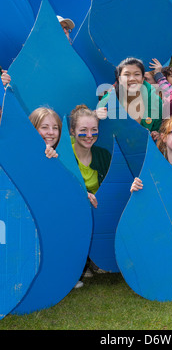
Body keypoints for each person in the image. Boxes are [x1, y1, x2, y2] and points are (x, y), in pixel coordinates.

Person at [69, 104, 112, 286]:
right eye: (83, 130)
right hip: (74, 209)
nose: (89, 135)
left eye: (94, 130)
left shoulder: (103, 155)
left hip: (98, 209)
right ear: (72, 131)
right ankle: (79, 264)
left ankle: (95, 258)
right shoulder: (64, 153)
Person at [96, 57, 163, 138]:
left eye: (137, 74)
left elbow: (158, 130)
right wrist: (96, 116)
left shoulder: (155, 101)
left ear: (142, 79)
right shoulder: (108, 101)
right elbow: (98, 131)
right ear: (119, 79)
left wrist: (155, 135)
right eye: (126, 75)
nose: (132, 79)